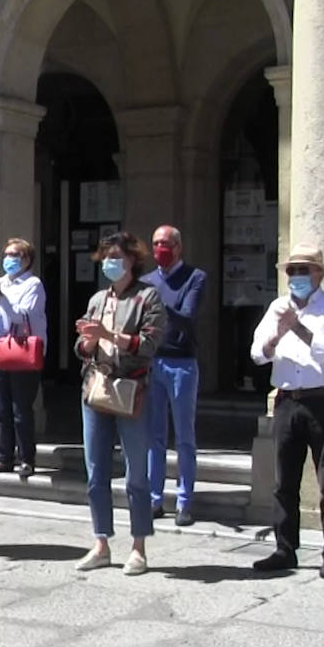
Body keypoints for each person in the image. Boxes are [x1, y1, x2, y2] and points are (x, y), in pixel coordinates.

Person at [248, 243, 324, 579]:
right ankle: (284, 548)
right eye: (292, 271)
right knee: (284, 482)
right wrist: (277, 334)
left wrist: (299, 328)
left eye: (304, 270)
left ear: (319, 274)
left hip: (323, 401)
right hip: (287, 400)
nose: (297, 277)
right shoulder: (278, 306)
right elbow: (257, 354)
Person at [73, 232, 166, 574]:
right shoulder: (98, 299)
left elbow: (150, 343)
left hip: (132, 388)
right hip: (96, 386)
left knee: (135, 473)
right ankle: (101, 542)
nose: (111, 263)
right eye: (107, 257)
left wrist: (109, 336)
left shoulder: (147, 297)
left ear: (132, 261)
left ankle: (139, 546)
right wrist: (86, 343)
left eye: (118, 257)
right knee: (96, 471)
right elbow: (83, 348)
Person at [141, 225, 207, 526]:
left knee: (184, 436)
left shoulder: (195, 277)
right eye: (155, 243)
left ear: (178, 246)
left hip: (182, 364)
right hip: (153, 363)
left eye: (165, 243)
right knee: (153, 435)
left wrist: (156, 304)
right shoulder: (146, 280)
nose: (159, 249)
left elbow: (187, 319)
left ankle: (184, 501)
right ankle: (155, 499)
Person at [0, 237, 47, 479]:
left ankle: (26, 458)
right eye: (6, 254)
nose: (8, 259)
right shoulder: (1, 283)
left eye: (14, 255)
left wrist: (2, 297)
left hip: (21, 348)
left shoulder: (33, 284)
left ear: (26, 259)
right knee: (1, 408)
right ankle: (3, 457)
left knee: (21, 407)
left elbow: (21, 317)